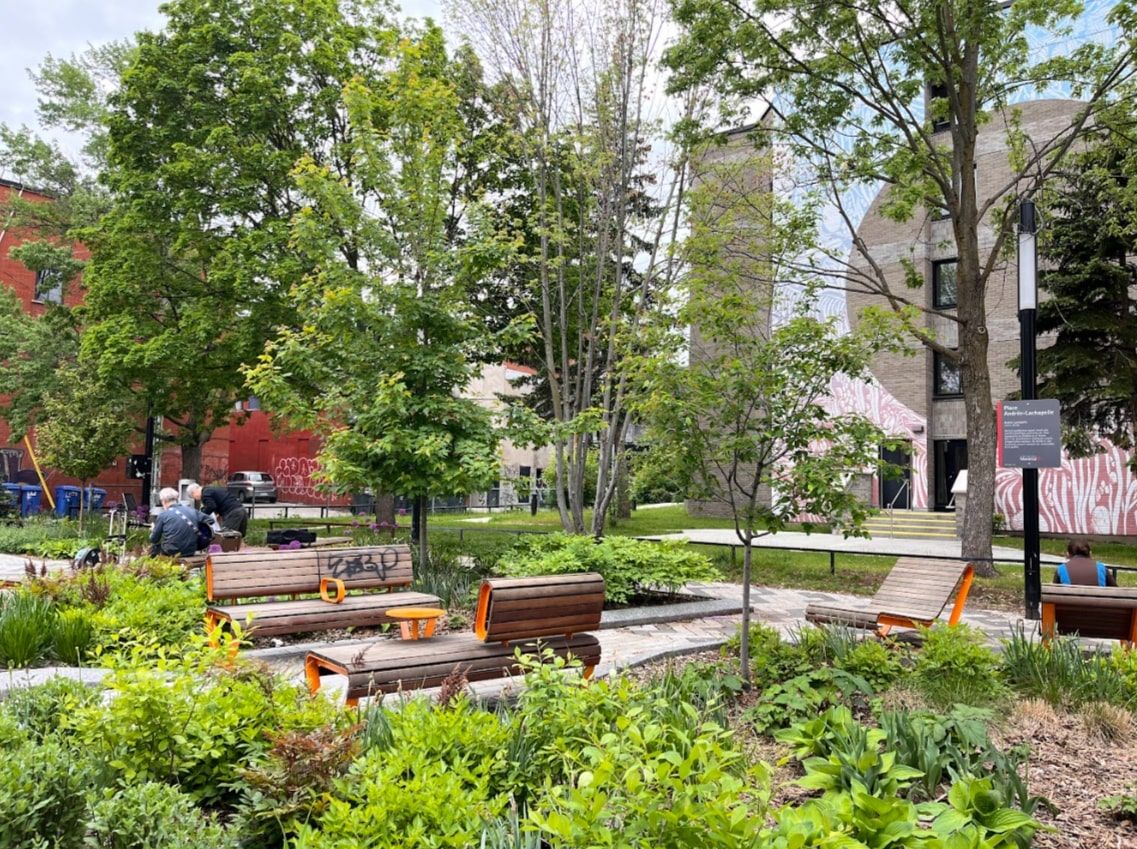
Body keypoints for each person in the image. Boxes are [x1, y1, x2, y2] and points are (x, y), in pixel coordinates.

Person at [149, 487, 210, 557]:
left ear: (164, 501)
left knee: (154, 549)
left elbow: (154, 539)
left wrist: (154, 530)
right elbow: (210, 520)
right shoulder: (192, 510)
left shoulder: (163, 515)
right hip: (190, 551)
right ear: (176, 499)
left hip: (171, 552)